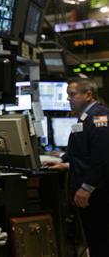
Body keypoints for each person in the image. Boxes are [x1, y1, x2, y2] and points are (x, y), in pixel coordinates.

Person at [54, 78, 109, 256]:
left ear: (88, 95)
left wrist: (87, 187)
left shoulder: (100, 117)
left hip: (98, 192)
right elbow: (81, 149)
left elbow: (103, 157)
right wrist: (63, 161)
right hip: (91, 189)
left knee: (100, 239)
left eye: (72, 94)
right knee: (94, 239)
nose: (68, 99)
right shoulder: (85, 117)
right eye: (68, 95)